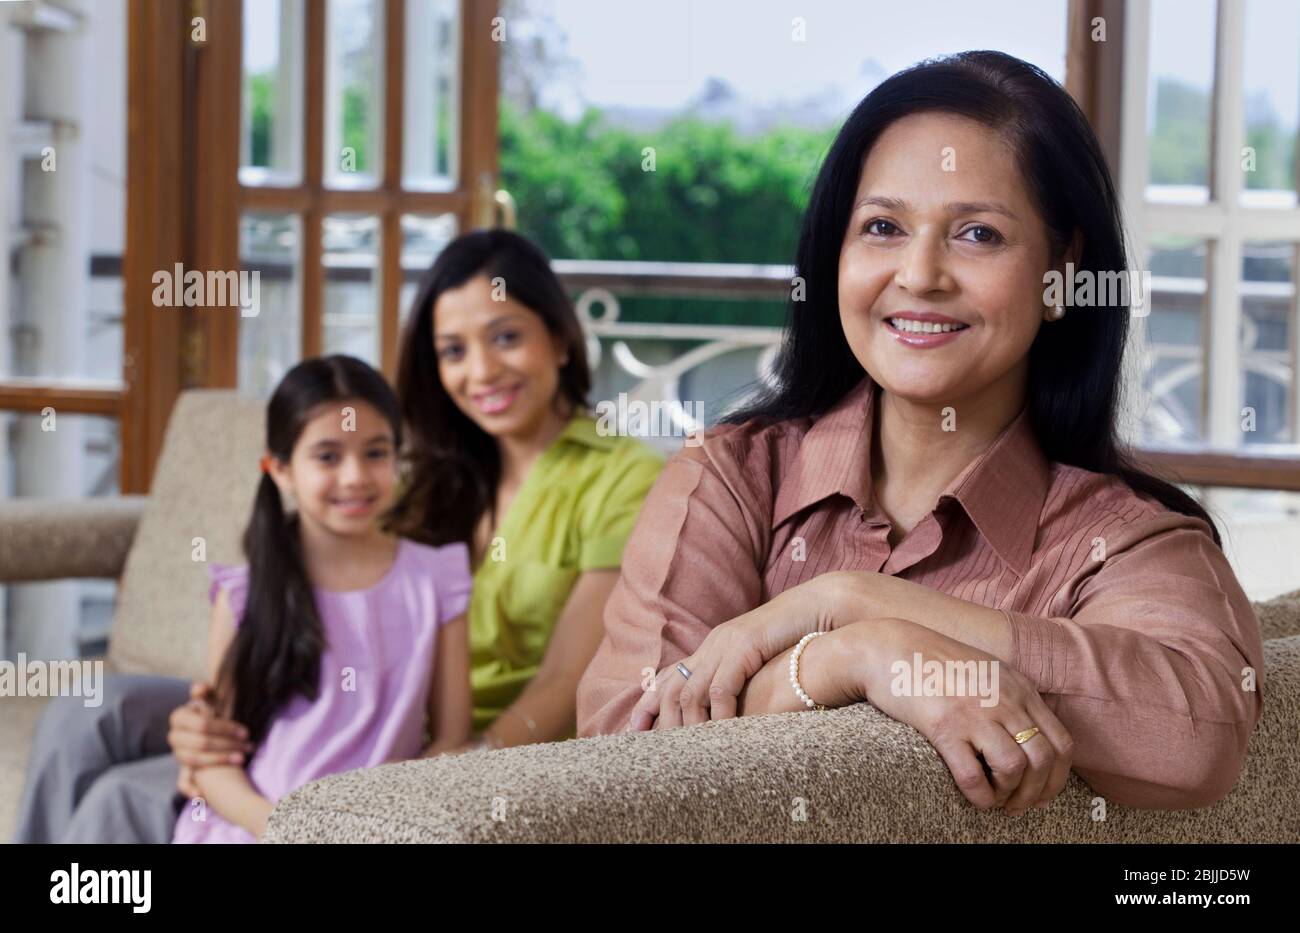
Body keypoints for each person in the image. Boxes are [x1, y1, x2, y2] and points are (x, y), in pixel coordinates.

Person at [577, 50, 1265, 813]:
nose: (920, 274)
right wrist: (853, 656)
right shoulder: (730, 477)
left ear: (1063, 271)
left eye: (977, 234)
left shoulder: (1126, 540)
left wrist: (853, 600)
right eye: (883, 226)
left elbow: (1198, 737)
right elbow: (620, 753)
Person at [14, 231, 663, 843]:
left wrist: (463, 765)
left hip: (430, 742)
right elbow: (319, 598)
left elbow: (569, 676)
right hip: (316, 705)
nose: (482, 370)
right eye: (453, 351)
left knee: (121, 796)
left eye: (506, 336)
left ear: (560, 337)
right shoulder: (421, 467)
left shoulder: (621, 478)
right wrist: (202, 724)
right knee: (89, 713)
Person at [171, 354, 471, 843]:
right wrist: (283, 829)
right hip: (257, 830)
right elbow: (214, 758)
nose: (355, 477)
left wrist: (386, 821)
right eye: (328, 457)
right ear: (279, 469)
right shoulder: (244, 594)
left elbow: (452, 739)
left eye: (376, 453)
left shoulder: (439, 580)